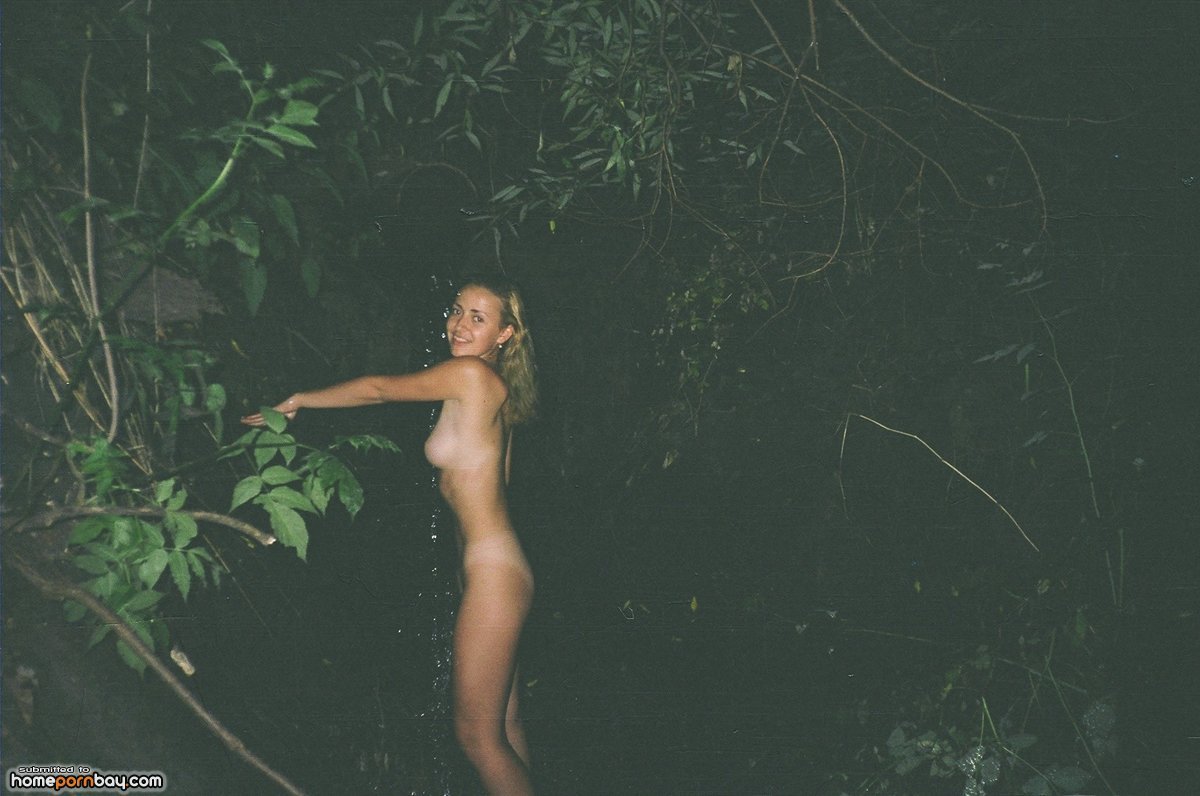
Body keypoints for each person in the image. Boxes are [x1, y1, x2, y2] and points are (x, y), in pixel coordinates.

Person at [242, 275, 538, 794]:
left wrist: (301, 400)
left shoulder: (470, 375)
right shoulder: (493, 391)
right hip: (497, 573)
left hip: (494, 576)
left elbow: (380, 388)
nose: (459, 324)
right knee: (504, 729)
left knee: (476, 738)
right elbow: (497, 487)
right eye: (456, 310)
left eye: (478, 317)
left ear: (504, 334)